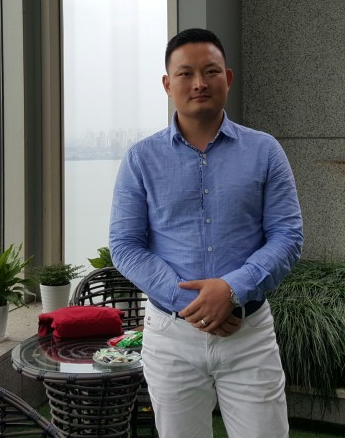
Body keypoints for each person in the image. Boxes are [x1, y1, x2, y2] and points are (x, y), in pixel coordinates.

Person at [109, 28, 304, 438]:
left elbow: (287, 236)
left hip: (247, 332)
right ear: (168, 84)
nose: (199, 83)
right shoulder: (140, 159)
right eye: (186, 74)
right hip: (171, 336)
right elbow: (125, 246)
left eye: (210, 71)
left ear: (227, 78)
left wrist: (231, 291)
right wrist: (196, 303)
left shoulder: (265, 151)